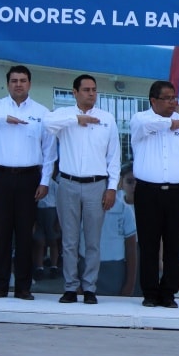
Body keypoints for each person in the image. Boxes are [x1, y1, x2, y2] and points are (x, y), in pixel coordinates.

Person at [0, 65, 56, 301]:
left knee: (25, 235)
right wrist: (2, 117)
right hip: (0, 178)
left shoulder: (42, 112)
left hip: (29, 179)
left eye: (23, 80)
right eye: (14, 80)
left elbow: (49, 152)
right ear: (8, 84)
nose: (18, 84)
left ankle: (23, 287)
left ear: (30, 84)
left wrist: (45, 181)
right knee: (2, 234)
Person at [43, 75, 119, 304]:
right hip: (68, 184)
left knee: (93, 240)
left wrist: (112, 187)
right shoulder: (64, 115)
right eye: (86, 89)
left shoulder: (107, 119)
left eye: (94, 89)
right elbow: (46, 124)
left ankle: (89, 289)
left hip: (96, 185)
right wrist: (76, 119)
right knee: (69, 240)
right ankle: (70, 287)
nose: (91, 93)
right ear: (74, 92)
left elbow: (114, 156)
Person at [130, 80, 179, 308]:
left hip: (178, 193)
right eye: (168, 98)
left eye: (174, 98)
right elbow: (151, 124)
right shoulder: (140, 120)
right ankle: (150, 293)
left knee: (173, 245)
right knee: (148, 245)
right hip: (147, 193)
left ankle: (169, 293)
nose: (173, 102)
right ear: (153, 100)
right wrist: (172, 123)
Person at [93, 164, 138, 297]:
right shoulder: (84, 208)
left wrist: (129, 285)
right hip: (89, 268)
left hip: (115, 271)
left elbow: (131, 250)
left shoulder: (124, 210)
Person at [33, 163, 61, 280]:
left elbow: (60, 204)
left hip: (52, 212)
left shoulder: (55, 185)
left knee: (53, 241)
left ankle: (54, 266)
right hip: (39, 212)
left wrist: (58, 222)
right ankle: (39, 267)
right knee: (39, 242)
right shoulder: (35, 184)